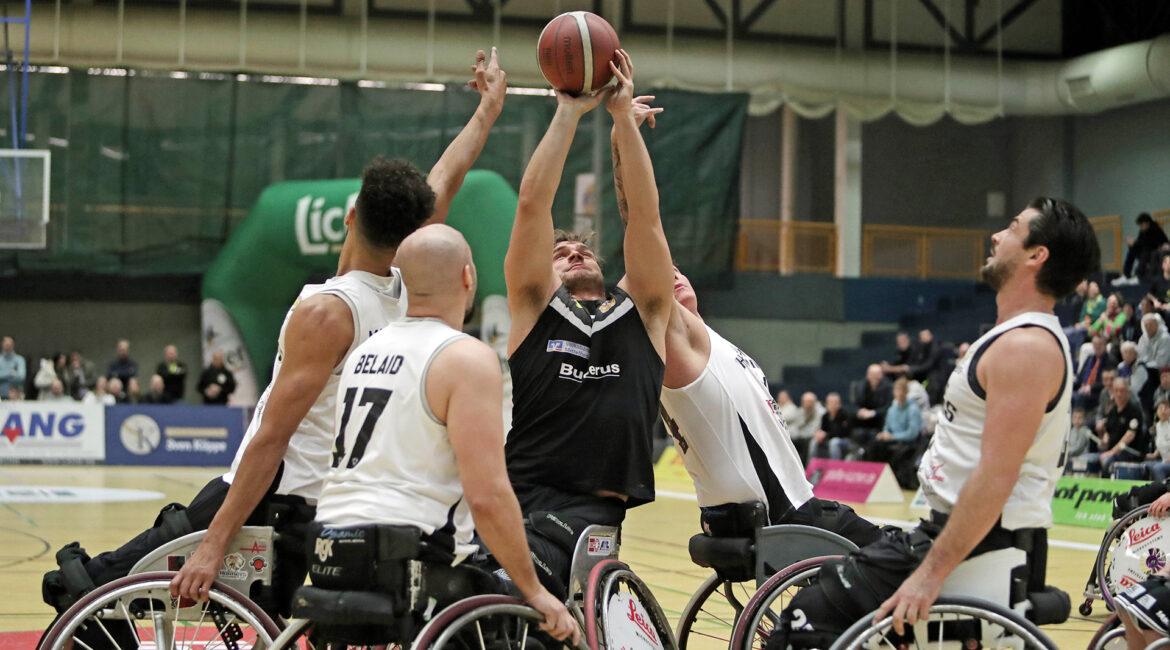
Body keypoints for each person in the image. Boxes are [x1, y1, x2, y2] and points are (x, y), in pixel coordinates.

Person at [41, 48, 509, 636]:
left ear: (349, 217)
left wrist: (213, 546)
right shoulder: (405, 286)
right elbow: (447, 177)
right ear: (416, 233)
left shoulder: (327, 311)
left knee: (87, 589)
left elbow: (271, 436)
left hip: (276, 499)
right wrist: (487, 112)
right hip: (330, 497)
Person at [211, 225, 577, 642]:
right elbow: (487, 495)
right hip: (410, 560)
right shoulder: (465, 358)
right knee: (540, 621)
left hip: (329, 552)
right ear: (467, 277)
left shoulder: (364, 350)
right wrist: (535, 592)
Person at [776, 197, 1099, 647]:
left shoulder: (1026, 348)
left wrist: (929, 574)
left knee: (806, 616)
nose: (996, 235)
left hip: (987, 545)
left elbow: (996, 476)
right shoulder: (1014, 338)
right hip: (959, 533)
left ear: (1035, 254)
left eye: (1012, 227)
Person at [499, 51, 673, 600]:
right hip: (512, 497)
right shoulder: (533, 308)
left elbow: (643, 217)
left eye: (582, 250)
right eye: (561, 252)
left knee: (502, 588)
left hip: (584, 514)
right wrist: (567, 113)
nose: (574, 253)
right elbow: (532, 205)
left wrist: (622, 120)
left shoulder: (644, 310)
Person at [659, 264, 880, 545]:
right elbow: (650, 267)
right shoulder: (679, 349)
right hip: (783, 511)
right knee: (891, 553)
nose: (674, 275)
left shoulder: (714, 342)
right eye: (664, 273)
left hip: (771, 504)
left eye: (678, 270)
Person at [864, 377, 922, 464]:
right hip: (893, 440)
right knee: (873, 446)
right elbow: (887, 426)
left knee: (894, 453)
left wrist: (893, 436)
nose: (899, 394)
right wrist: (884, 434)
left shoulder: (913, 409)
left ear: (906, 392)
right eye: (897, 390)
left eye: (901, 391)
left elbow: (912, 433)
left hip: (907, 443)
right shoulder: (892, 409)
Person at [1119, 212, 1169, 284]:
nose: (1141, 227)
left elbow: (1151, 244)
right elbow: (1140, 243)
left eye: (1142, 225)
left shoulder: (1156, 229)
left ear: (1147, 223)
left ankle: (1139, 276)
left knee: (1146, 251)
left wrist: (1135, 244)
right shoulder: (1142, 232)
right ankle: (1126, 274)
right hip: (1145, 252)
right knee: (1132, 251)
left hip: (1154, 253)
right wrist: (1133, 245)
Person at [811, 393, 853, 460]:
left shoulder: (844, 415)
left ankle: (835, 466)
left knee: (834, 442)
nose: (833, 405)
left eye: (836, 402)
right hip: (829, 438)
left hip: (844, 440)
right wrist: (819, 433)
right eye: (831, 402)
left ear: (839, 403)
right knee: (814, 441)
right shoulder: (825, 416)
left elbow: (841, 433)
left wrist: (826, 435)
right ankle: (811, 465)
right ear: (827, 404)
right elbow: (823, 429)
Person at [1142, 401, 1170, 482]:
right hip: (1164, 461)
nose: (1163, 411)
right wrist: (1154, 455)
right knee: (1144, 465)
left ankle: (1162, 491)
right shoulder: (1158, 426)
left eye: (1166, 408)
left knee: (1158, 468)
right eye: (1160, 408)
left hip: (1167, 462)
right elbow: (1161, 443)